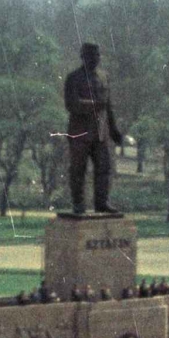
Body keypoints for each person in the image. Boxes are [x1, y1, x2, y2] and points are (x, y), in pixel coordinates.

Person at [63, 42, 123, 215]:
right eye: (91, 55)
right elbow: (71, 104)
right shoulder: (73, 78)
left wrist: (114, 129)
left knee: (104, 168)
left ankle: (102, 202)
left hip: (100, 133)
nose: (95, 59)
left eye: (97, 55)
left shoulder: (104, 77)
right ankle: (78, 203)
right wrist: (94, 105)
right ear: (83, 57)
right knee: (78, 170)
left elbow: (108, 106)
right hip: (79, 132)